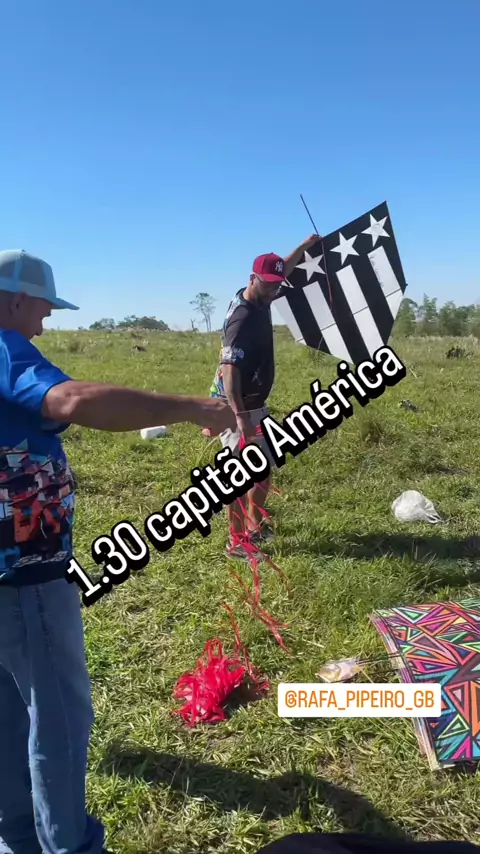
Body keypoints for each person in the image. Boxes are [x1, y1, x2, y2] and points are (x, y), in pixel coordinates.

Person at [0, 249, 235, 854]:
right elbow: (72, 401)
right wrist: (189, 407)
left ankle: (19, 836)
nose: (44, 322)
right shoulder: (5, 348)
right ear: (16, 299)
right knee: (57, 714)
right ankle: (67, 846)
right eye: (43, 308)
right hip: (25, 577)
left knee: (9, 709)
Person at [209, 235, 319, 560]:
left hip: (254, 404)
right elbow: (229, 369)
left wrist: (306, 245)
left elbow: (284, 267)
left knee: (262, 469)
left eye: (277, 284)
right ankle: (236, 542)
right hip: (236, 405)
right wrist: (240, 417)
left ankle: (253, 525)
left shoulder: (261, 297)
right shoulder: (242, 318)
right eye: (268, 284)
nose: (274, 290)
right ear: (252, 279)